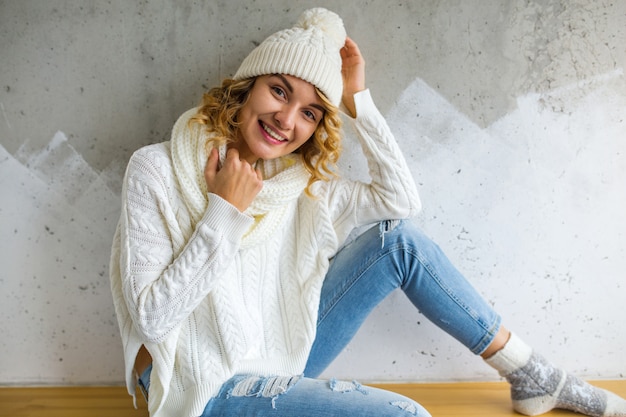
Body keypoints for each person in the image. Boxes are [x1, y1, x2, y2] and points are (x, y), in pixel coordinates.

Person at [109, 7, 626, 417]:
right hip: (201, 385)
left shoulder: (302, 188)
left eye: (310, 112)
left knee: (397, 240)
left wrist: (359, 101)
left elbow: (401, 202)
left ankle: (531, 373)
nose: (286, 119)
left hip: (281, 353)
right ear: (246, 87)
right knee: (406, 414)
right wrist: (222, 212)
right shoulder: (157, 169)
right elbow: (152, 318)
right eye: (279, 91)